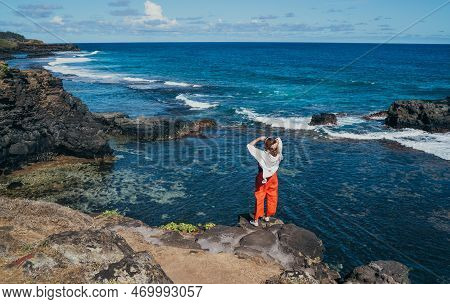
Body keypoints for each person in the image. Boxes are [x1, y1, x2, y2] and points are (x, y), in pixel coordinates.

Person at [247, 136, 283, 227]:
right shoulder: (278, 153)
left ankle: (256, 220)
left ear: (266, 147)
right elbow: (279, 140)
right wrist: (270, 140)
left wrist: (259, 138)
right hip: (273, 177)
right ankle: (267, 216)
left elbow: (249, 146)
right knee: (272, 196)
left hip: (262, 177)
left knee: (260, 196)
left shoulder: (262, 154)